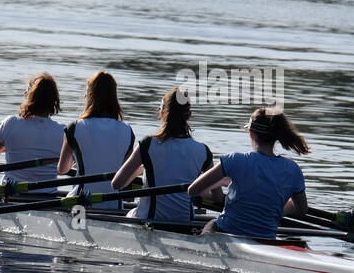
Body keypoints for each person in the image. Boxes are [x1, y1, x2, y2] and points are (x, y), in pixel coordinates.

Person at [187, 106, 309, 239]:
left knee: (210, 225)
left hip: (226, 231)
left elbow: (192, 190)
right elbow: (301, 210)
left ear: (251, 133)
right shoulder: (293, 169)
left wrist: (219, 183)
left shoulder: (235, 160)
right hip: (266, 239)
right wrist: (271, 208)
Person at [112, 87, 215, 224]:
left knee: (131, 213)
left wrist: (141, 169)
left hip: (148, 221)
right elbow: (216, 197)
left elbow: (117, 184)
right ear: (189, 115)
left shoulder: (148, 144)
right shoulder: (204, 151)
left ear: (162, 112)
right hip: (185, 224)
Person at [58, 70, 135, 211]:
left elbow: (62, 169)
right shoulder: (127, 130)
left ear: (90, 96)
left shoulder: (75, 127)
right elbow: (126, 177)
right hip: (113, 207)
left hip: (78, 204)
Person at [0, 73, 64, 193]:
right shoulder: (63, 132)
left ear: (29, 97)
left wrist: (9, 146)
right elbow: (65, 169)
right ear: (54, 101)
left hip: (11, 193)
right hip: (47, 197)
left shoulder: (11, 123)